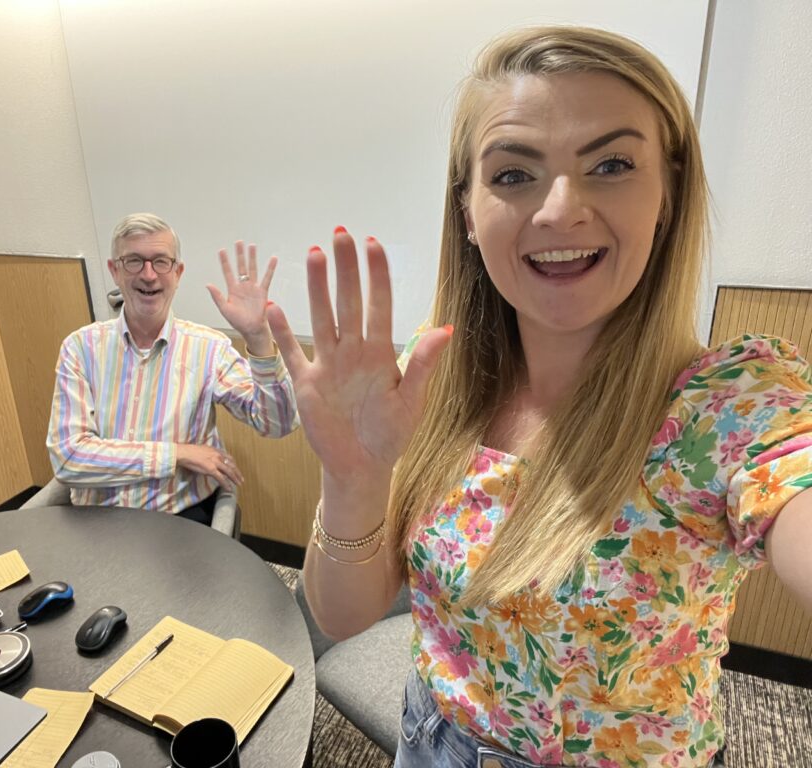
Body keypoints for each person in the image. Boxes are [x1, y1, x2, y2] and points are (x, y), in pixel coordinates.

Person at [267, 26, 812, 768]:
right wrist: (352, 480)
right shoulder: (430, 378)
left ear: (668, 193)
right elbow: (344, 613)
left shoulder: (735, 403)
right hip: (436, 743)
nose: (559, 209)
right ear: (467, 210)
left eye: (612, 164)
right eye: (514, 175)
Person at [47, 213, 298, 524]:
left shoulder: (208, 348)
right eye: (134, 261)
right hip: (96, 524)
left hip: (179, 521)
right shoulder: (80, 348)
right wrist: (177, 454)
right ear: (114, 270)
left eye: (161, 262)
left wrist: (258, 338)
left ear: (178, 273)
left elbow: (278, 424)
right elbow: (69, 459)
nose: (149, 275)